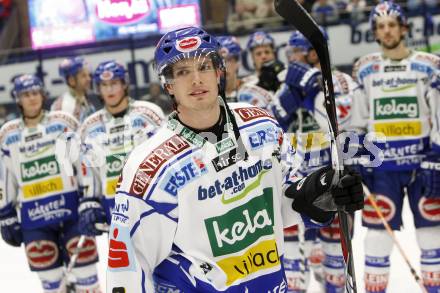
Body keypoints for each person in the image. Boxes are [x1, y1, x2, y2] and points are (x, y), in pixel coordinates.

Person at [106, 26, 364, 292]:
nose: (196, 79)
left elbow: (287, 198)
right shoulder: (150, 168)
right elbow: (126, 265)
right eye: (183, 71)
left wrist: (325, 189)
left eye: (204, 66)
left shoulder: (261, 125)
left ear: (219, 71)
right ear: (168, 84)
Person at [350, 2, 440, 292]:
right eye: (380, 26)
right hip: (382, 169)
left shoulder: (429, 65)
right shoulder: (365, 69)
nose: (386, 30)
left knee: (432, 235)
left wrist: (437, 158)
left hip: (422, 165)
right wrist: (354, 159)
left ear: (403, 27)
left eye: (392, 24)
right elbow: (357, 120)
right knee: (376, 238)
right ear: (375, 32)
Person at [0, 74, 100, 293]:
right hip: (34, 219)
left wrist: (90, 198)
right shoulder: (8, 134)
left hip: (73, 213)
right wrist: (5, 213)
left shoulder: (62, 122)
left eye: (35, 93)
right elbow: (4, 176)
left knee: (87, 278)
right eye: (26, 94)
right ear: (18, 99)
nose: (32, 98)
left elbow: (84, 161)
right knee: (51, 282)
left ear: (43, 95)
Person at [77, 61, 165, 237]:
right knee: (127, 264)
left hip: (155, 203)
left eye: (114, 84)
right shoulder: (89, 126)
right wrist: (89, 202)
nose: (109, 90)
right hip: (116, 208)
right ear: (98, 89)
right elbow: (89, 171)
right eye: (104, 85)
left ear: (124, 84)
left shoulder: (149, 113)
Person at [51, 56, 95, 122]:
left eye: (88, 75)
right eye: (84, 76)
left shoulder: (82, 98)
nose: (89, 79)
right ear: (72, 81)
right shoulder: (64, 106)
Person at [217, 35, 243, 103]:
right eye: (217, 61)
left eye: (227, 60)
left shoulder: (251, 90)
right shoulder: (206, 97)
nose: (222, 66)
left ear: (237, 63)